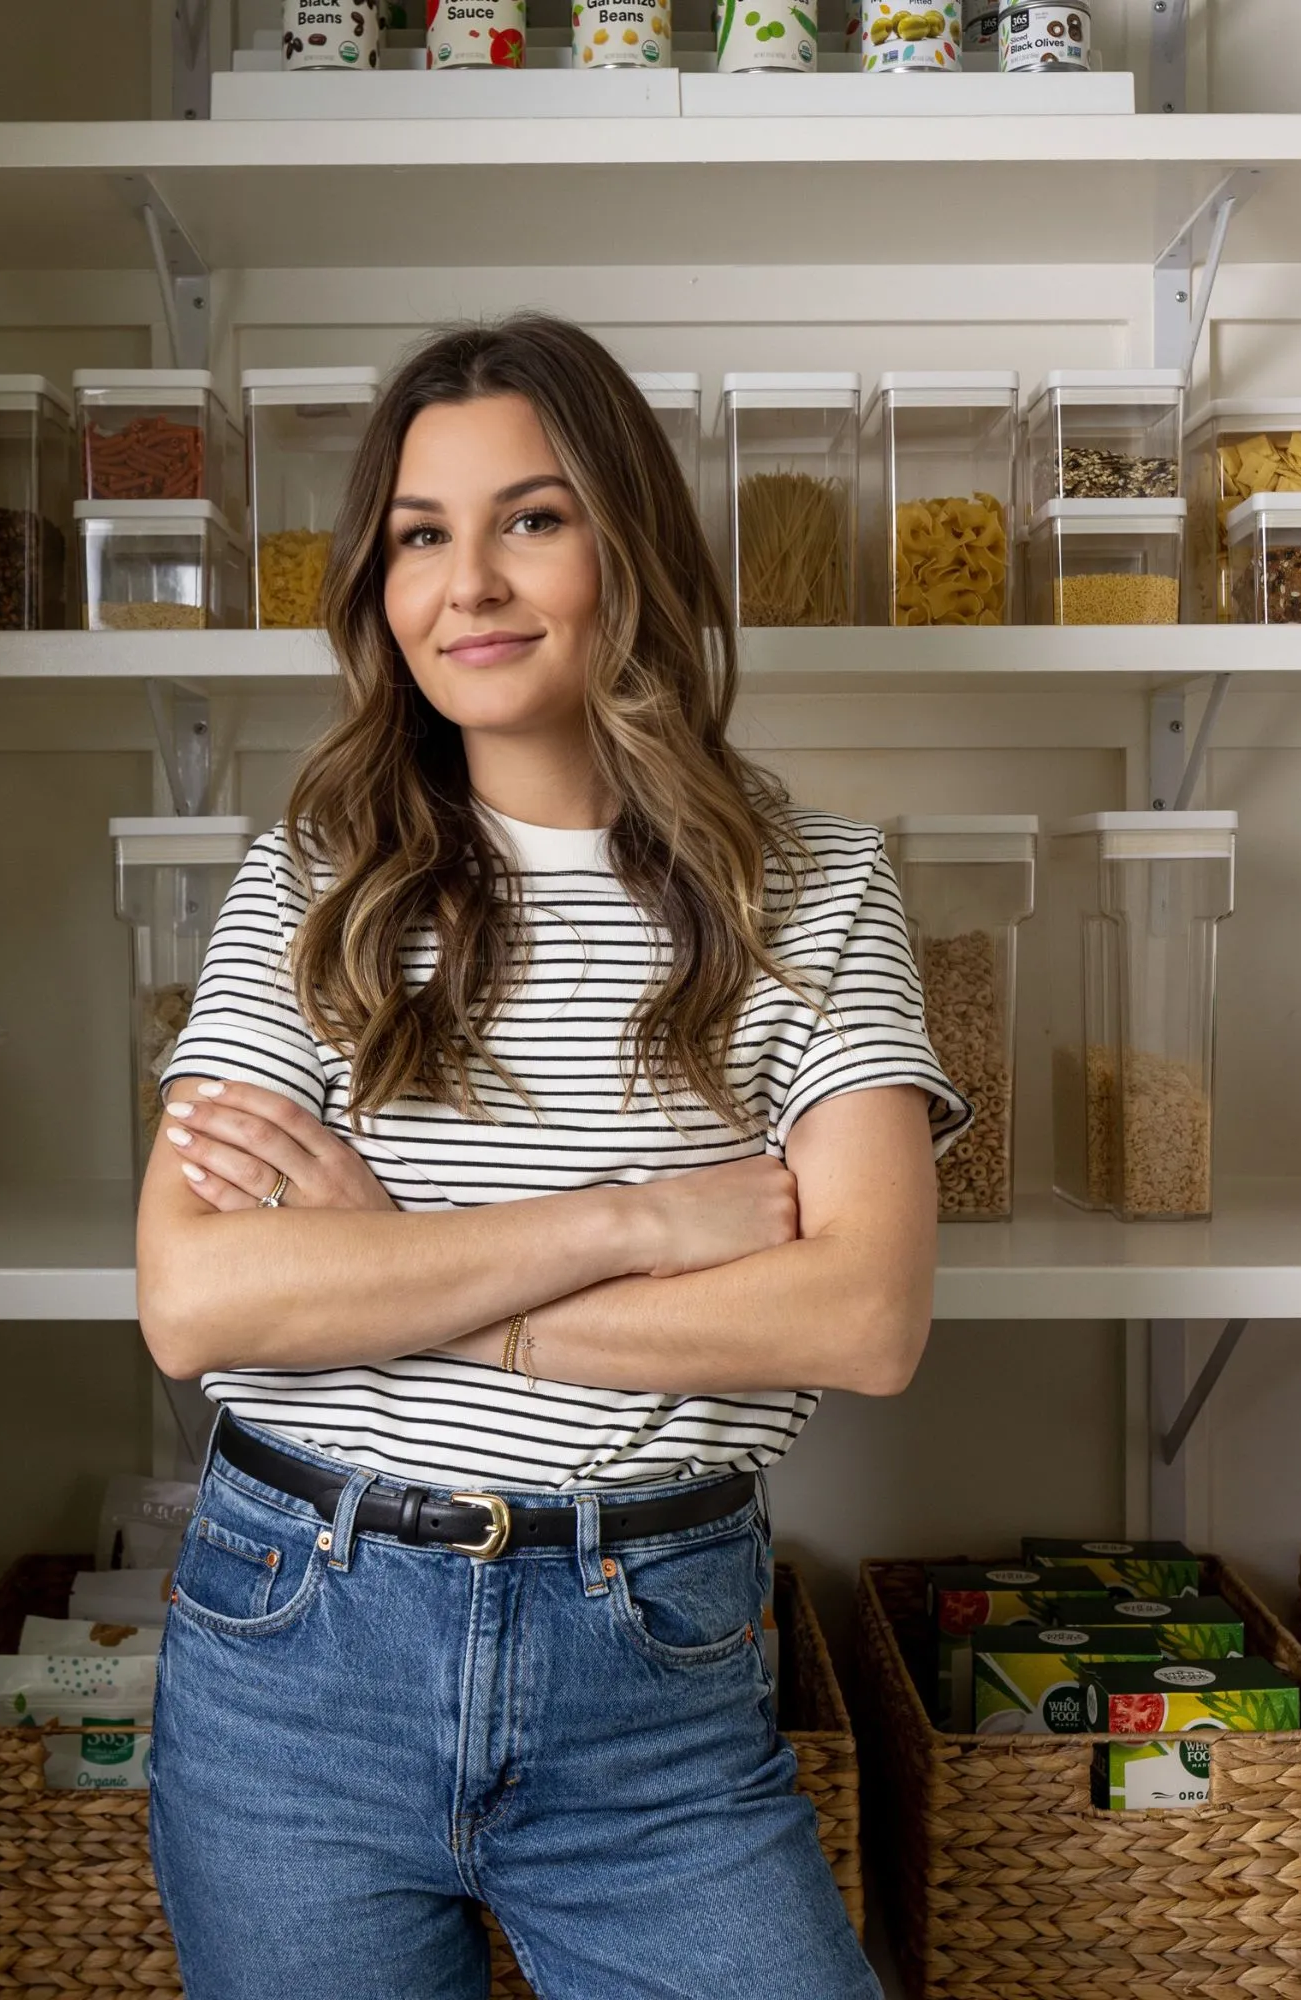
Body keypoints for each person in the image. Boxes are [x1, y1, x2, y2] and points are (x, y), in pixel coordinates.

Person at [136, 313, 969, 1998]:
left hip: (651, 1654)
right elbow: (198, 1299)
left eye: (530, 519)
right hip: (299, 1641)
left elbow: (864, 1314)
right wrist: (644, 1219)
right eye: (419, 538)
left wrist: (395, 1274)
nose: (471, 587)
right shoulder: (313, 877)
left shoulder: (817, 888)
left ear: (628, 544)